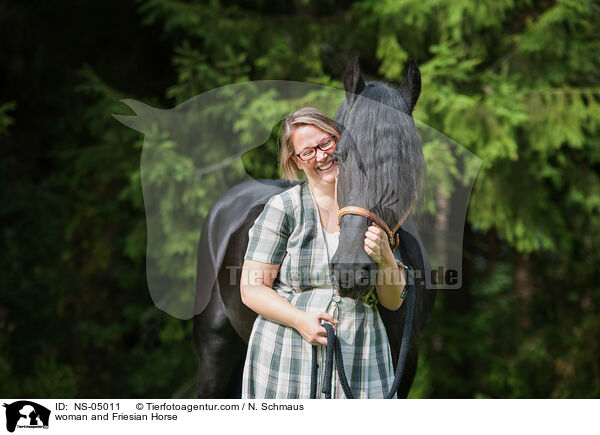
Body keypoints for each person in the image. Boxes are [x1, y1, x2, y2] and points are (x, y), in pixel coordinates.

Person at [240, 107, 407, 399]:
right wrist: (299, 320)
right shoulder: (284, 208)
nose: (321, 156)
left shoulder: (376, 207)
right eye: (308, 151)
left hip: (361, 351)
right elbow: (251, 288)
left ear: (339, 140)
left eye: (326, 143)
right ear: (296, 161)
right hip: (289, 351)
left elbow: (393, 302)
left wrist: (386, 258)